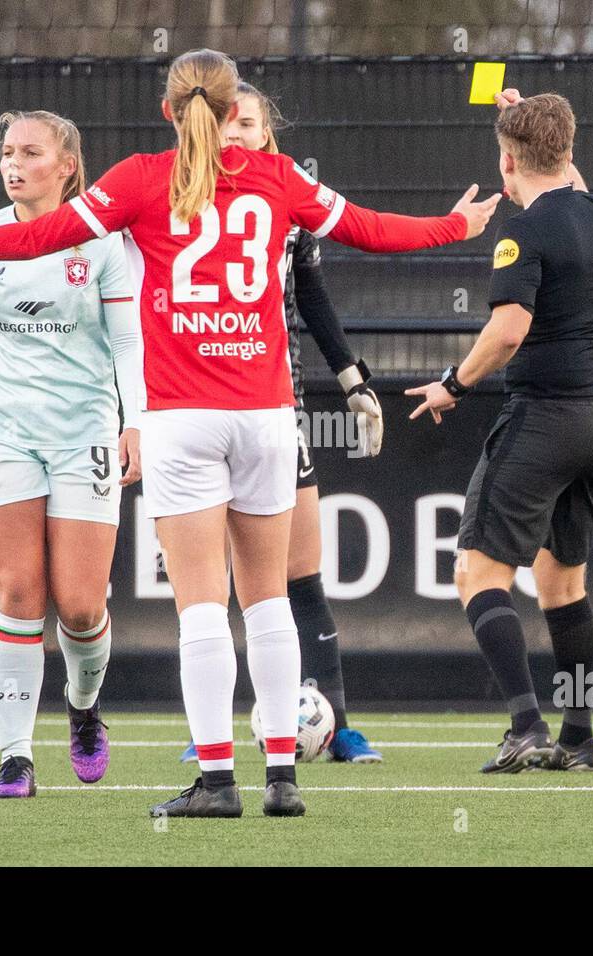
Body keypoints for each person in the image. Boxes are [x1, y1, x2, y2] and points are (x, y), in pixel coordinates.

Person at [0, 48, 500, 818]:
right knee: (269, 604)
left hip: (183, 418)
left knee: (201, 606)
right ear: (236, 115)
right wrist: (456, 225)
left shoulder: (137, 178)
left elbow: (33, 240)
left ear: (169, 110)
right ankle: (284, 780)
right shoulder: (277, 177)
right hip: (266, 416)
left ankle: (217, 781)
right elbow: (372, 230)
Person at [0, 110, 145, 798]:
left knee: (77, 606)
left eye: (30, 152)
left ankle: (82, 709)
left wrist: (137, 421)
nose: (13, 163)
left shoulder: (105, 241)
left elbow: (130, 343)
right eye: (6, 151)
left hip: (86, 433)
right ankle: (15, 758)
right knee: (19, 591)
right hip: (0, 431)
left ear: (67, 166)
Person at [406, 89, 593, 773]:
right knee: (562, 584)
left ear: (507, 162)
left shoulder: (523, 231)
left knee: (476, 572)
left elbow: (508, 330)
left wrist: (454, 383)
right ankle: (580, 736)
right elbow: (565, 181)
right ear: (568, 149)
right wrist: (527, 122)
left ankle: (526, 725)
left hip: (547, 415)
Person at [177, 80, 383, 766]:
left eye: (249, 126)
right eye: (225, 126)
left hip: (275, 409)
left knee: (297, 578)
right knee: (212, 588)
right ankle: (210, 735)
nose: (235, 137)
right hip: (193, 413)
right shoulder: (170, 193)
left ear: (269, 134)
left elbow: (315, 299)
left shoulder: (286, 199)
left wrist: (353, 379)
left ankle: (340, 723)